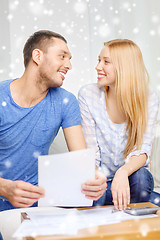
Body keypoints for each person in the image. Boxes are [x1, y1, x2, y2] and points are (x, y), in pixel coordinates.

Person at [0, 30, 107, 212]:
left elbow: (81, 160)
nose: (69, 65)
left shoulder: (66, 101)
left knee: (97, 196)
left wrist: (94, 176)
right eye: (62, 56)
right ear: (37, 56)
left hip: (40, 197)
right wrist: (5, 188)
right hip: (2, 194)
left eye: (69, 58)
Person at [78, 39, 160, 210]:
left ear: (125, 67)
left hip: (133, 181)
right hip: (103, 182)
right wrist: (98, 179)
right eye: (99, 60)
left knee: (141, 178)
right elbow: (90, 152)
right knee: (93, 188)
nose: (98, 67)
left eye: (106, 62)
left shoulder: (149, 98)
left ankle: (133, 227)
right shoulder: (88, 94)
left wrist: (122, 173)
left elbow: (143, 150)